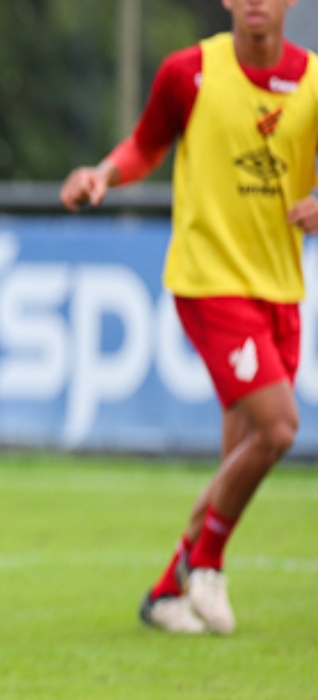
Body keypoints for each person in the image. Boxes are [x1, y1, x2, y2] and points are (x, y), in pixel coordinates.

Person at [61, 0, 314, 635]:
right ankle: (207, 566)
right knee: (279, 428)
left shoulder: (313, 81)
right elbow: (146, 146)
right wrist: (103, 174)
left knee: (246, 448)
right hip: (209, 281)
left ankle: (167, 590)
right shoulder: (190, 71)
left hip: (280, 288)